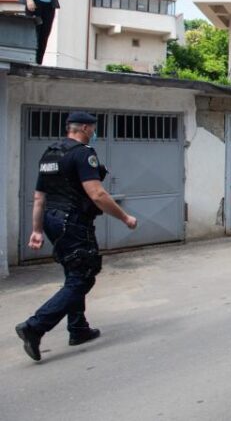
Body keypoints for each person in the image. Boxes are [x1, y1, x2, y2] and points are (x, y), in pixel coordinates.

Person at [15, 112, 138, 362]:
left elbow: (39, 197)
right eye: (92, 128)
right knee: (83, 277)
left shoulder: (50, 154)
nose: (93, 132)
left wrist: (37, 230)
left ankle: (78, 328)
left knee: (74, 270)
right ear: (83, 128)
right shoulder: (83, 153)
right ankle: (35, 326)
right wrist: (125, 217)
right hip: (72, 221)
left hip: (52, 219)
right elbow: (97, 195)